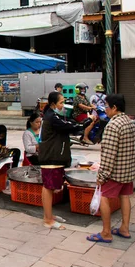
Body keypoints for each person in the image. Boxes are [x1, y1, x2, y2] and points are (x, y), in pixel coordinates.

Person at [86, 94, 135, 243]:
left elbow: (109, 156)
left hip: (114, 173)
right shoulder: (130, 122)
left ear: (115, 108)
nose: (106, 110)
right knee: (125, 197)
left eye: (107, 106)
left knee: (104, 197)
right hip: (128, 170)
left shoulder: (112, 126)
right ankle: (124, 228)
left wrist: (101, 177)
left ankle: (106, 232)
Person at [39, 91, 82, 230]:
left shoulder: (54, 115)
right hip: (51, 157)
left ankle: (49, 215)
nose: (63, 105)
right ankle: (47, 219)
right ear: (53, 104)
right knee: (48, 187)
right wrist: (85, 123)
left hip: (54, 156)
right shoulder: (52, 117)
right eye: (61, 103)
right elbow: (69, 127)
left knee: (50, 187)